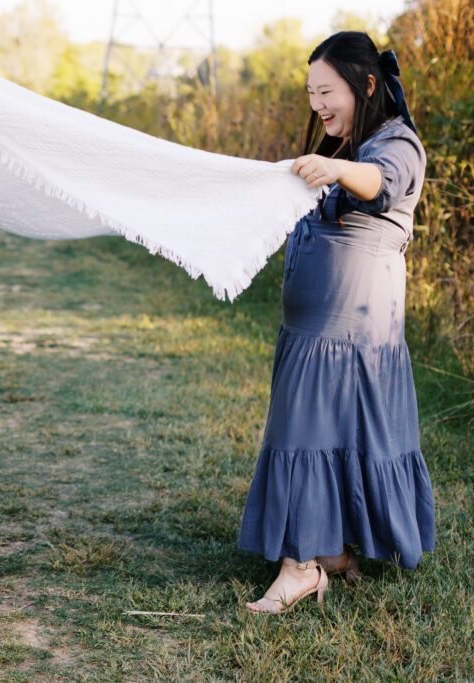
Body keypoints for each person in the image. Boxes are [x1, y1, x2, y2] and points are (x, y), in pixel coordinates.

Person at [237, 31, 436, 614]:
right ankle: (328, 554)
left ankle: (300, 567)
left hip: (351, 334)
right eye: (310, 93)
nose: (317, 105)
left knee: (309, 437)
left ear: (366, 85)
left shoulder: (396, 144)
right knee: (318, 437)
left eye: (327, 91)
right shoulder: (346, 147)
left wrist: (333, 167)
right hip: (315, 335)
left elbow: (380, 185)